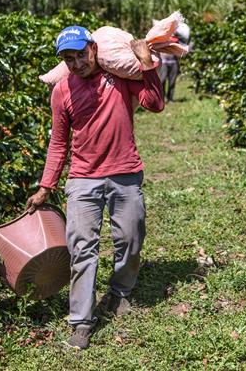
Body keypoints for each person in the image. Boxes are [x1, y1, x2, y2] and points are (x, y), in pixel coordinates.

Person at [25, 25, 165, 350]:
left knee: (130, 239)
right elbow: (58, 144)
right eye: (68, 59)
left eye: (80, 55)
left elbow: (155, 104)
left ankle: (119, 292)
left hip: (125, 172)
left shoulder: (119, 77)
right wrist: (46, 186)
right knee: (81, 248)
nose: (76, 64)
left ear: (93, 48)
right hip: (83, 178)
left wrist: (147, 64)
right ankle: (81, 321)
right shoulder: (61, 91)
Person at [157, 20, 190, 102]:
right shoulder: (162, 37)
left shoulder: (177, 39)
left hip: (174, 62)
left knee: (172, 81)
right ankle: (162, 98)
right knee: (162, 80)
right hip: (164, 62)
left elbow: (182, 48)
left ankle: (170, 98)